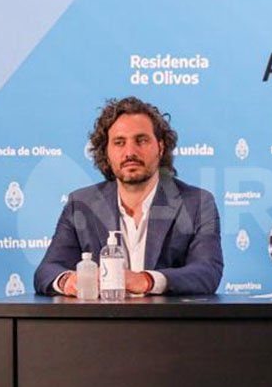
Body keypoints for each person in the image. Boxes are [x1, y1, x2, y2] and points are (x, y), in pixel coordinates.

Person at [35, 97, 222, 297]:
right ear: (106, 152)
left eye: (141, 140)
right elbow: (47, 270)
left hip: (169, 325)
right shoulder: (80, 204)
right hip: (100, 325)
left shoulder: (197, 203)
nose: (130, 152)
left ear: (160, 147)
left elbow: (207, 272)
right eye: (119, 142)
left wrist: (147, 280)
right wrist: (68, 281)